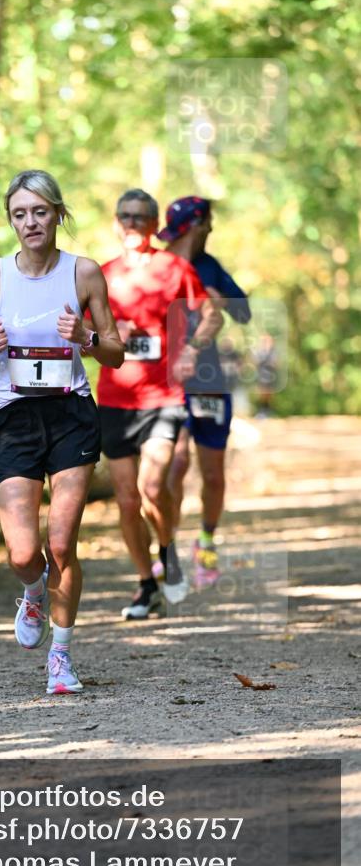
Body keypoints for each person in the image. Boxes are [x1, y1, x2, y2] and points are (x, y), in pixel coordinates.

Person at [0, 170, 123, 694]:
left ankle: (61, 656)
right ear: (11, 220)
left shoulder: (85, 273)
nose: (30, 222)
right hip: (14, 418)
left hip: (71, 412)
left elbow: (116, 351)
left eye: (40, 212)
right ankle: (33, 592)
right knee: (26, 553)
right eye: (19, 214)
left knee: (62, 544)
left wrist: (88, 337)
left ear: (58, 214)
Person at [96, 189, 223, 620]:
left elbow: (212, 314)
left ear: (154, 225)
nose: (132, 223)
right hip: (114, 399)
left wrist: (191, 352)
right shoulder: (101, 274)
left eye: (141, 217)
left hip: (162, 398)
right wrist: (107, 331)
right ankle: (145, 585)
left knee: (154, 487)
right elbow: (77, 330)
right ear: (116, 223)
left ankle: (167, 553)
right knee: (128, 502)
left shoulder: (174, 268)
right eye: (125, 216)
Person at [157, 197, 251, 589]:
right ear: (196, 225)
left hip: (209, 380)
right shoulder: (157, 266)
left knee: (212, 472)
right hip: (166, 381)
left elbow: (243, 311)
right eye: (208, 222)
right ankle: (169, 546)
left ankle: (207, 542)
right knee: (175, 464)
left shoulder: (210, 266)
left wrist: (216, 297)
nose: (211, 229)